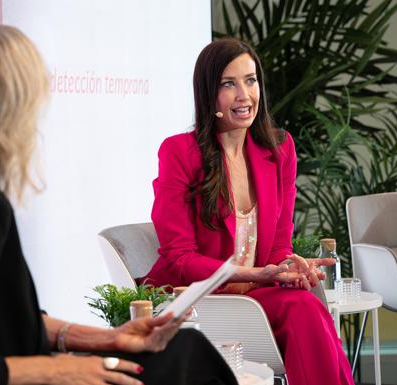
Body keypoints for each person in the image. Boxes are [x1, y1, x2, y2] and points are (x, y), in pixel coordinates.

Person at [0, 25, 239, 385]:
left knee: (182, 348)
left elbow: (0, 322)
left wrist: (107, 338)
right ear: (5, 107)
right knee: (190, 359)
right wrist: (66, 369)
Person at [139, 38, 355, 385]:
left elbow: (277, 247)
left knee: (305, 303)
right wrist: (257, 273)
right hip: (197, 300)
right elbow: (179, 258)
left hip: (254, 298)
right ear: (209, 94)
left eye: (251, 80)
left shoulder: (279, 149)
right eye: (229, 84)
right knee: (303, 308)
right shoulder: (179, 152)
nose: (244, 95)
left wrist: (288, 265)